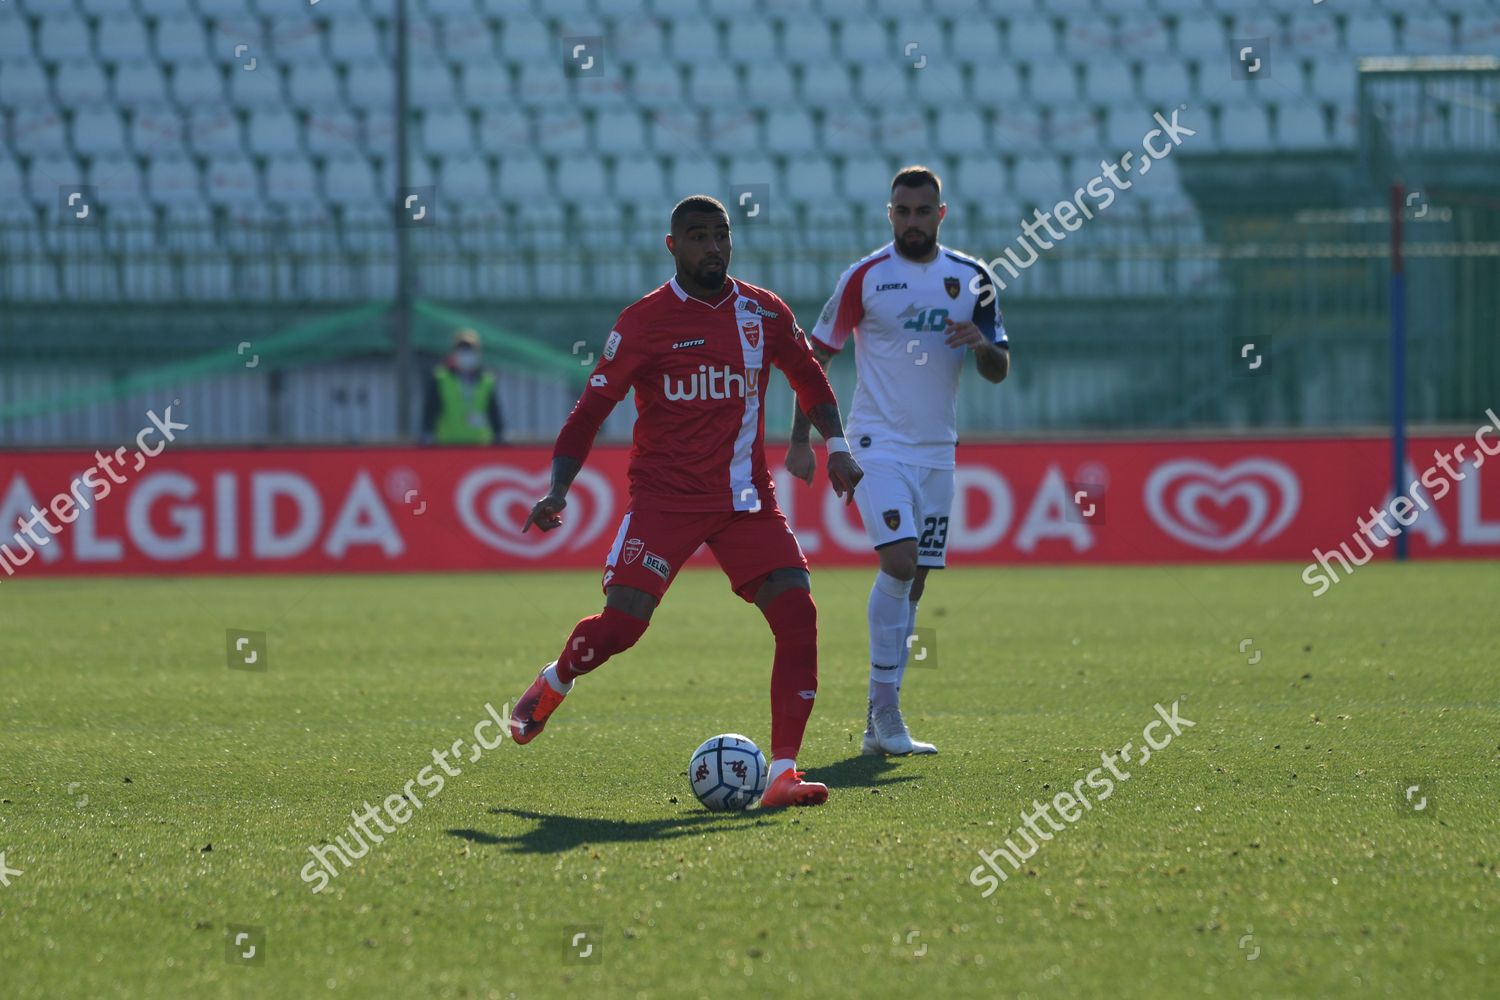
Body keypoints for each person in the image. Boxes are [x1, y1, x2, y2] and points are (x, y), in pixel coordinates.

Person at [511, 195, 863, 809]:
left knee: (798, 612)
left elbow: (809, 375)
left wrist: (836, 446)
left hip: (744, 499)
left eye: (721, 236)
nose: (713, 248)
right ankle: (556, 680)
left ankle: (783, 772)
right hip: (665, 501)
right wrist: (558, 488)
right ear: (672, 247)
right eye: (698, 238)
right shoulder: (644, 323)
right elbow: (591, 409)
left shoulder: (762, 311)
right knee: (621, 626)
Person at [785, 165, 1010, 756]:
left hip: (938, 452)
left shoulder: (972, 278)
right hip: (875, 444)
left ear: (941, 213)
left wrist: (981, 344)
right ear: (891, 215)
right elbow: (816, 358)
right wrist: (802, 439)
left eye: (923, 211)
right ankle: (885, 713)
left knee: (915, 586)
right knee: (902, 561)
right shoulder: (865, 277)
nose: (913, 221)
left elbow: (1000, 367)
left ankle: (878, 725)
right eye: (902, 212)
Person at [421, 329, 504, 445]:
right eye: (462, 349)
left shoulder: (486, 381)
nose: (466, 354)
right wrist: (427, 433)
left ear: (478, 352)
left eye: (470, 349)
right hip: (447, 444)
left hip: (479, 444)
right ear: (454, 353)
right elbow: (430, 410)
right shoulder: (441, 378)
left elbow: (494, 413)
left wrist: (499, 434)